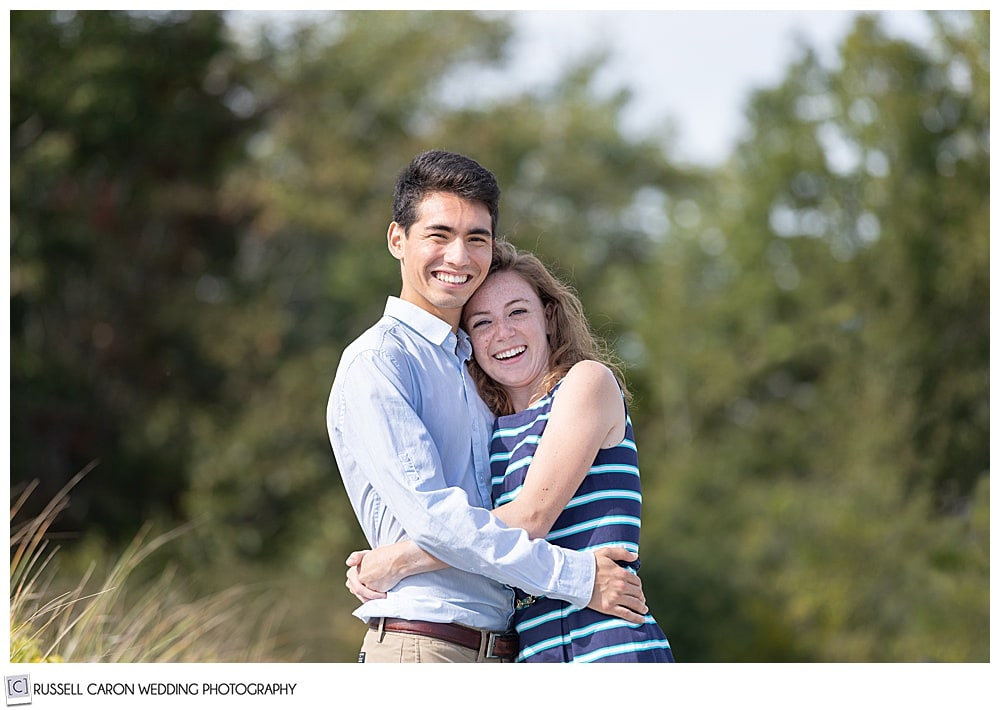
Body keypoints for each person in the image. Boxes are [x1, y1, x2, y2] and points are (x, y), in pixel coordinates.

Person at [327, 150, 647, 663]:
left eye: (476, 238)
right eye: (438, 235)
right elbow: (436, 518)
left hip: (512, 650)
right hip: (427, 646)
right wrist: (577, 576)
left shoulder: (477, 378)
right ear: (396, 240)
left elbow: (522, 514)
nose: (458, 256)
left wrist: (398, 559)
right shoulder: (378, 362)